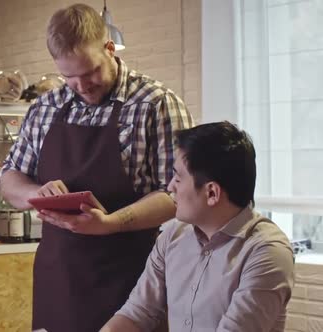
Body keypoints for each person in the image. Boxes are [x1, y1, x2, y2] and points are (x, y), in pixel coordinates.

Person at [0, 4, 194, 332]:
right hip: (58, 280)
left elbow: (177, 195)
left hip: (131, 281)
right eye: (69, 76)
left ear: (109, 48)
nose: (81, 85)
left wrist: (111, 223)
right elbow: (9, 176)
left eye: (89, 72)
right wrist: (36, 193)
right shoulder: (45, 108)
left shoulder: (154, 104)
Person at [100, 121, 295, 332]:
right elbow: (137, 313)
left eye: (178, 177)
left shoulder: (266, 252)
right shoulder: (173, 236)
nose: (171, 186)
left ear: (212, 193)